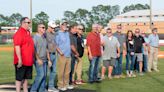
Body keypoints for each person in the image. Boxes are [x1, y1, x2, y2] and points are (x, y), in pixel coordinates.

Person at [13, 17, 34, 92]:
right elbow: (17, 47)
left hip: (28, 61)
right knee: (19, 78)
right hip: (22, 60)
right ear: (23, 23)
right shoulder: (19, 33)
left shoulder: (27, 33)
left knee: (25, 79)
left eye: (29, 22)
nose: (29, 24)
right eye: (28, 22)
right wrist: (19, 59)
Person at [30, 23, 52, 92]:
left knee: (44, 76)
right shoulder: (35, 37)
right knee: (40, 75)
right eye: (42, 27)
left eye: (44, 27)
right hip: (38, 60)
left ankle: (42, 90)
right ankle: (33, 90)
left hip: (45, 59)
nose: (44, 29)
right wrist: (38, 59)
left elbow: (46, 49)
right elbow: (33, 50)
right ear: (38, 28)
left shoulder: (44, 37)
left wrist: (49, 60)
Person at [55, 21, 74, 91]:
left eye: (66, 25)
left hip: (68, 55)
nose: (65, 26)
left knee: (67, 71)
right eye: (64, 25)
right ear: (60, 26)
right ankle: (60, 85)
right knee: (61, 71)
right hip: (62, 55)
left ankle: (66, 84)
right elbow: (55, 45)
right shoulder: (58, 34)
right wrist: (60, 52)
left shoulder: (67, 33)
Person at [46, 21, 59, 92]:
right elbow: (46, 48)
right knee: (45, 72)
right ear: (49, 27)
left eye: (54, 28)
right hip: (48, 55)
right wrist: (48, 59)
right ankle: (43, 87)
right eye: (52, 28)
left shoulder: (53, 34)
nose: (54, 29)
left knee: (53, 72)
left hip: (54, 54)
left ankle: (51, 87)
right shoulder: (45, 34)